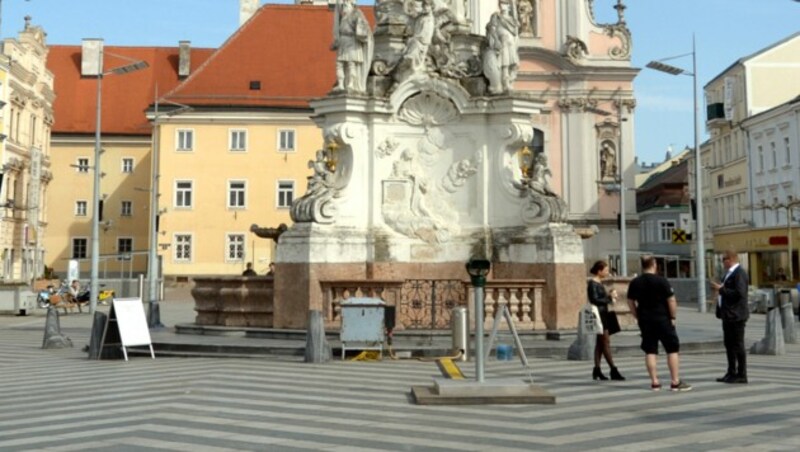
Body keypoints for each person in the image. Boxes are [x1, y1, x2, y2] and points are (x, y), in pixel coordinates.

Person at [627, 255, 692, 392]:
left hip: (645, 320)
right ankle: (675, 381)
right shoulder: (662, 281)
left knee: (650, 350)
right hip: (663, 319)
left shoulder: (635, 282)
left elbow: (630, 302)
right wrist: (673, 316)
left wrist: (637, 316)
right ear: (654, 264)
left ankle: (655, 382)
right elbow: (671, 300)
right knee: (672, 349)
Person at [710, 250, 749, 384]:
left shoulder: (739, 273)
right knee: (729, 345)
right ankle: (731, 372)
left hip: (736, 315)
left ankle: (742, 374)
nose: (723, 262)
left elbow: (740, 293)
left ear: (731, 259)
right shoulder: (728, 274)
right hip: (727, 315)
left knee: (738, 345)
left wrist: (721, 289)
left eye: (724, 259)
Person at [587, 260, 625, 381]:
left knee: (600, 343)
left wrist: (608, 295)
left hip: (603, 314)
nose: (608, 272)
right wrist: (609, 297)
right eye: (606, 270)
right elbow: (594, 299)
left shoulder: (599, 282)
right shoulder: (593, 283)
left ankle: (597, 369)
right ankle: (613, 369)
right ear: (599, 271)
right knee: (605, 342)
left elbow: (599, 298)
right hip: (599, 315)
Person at [331, 0, 373, 92]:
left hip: (352, 42)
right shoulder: (343, 18)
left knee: (351, 64)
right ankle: (341, 84)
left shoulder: (356, 15)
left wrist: (360, 32)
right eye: (343, 6)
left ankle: (351, 83)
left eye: (346, 5)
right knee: (339, 64)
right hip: (343, 42)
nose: (344, 7)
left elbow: (363, 29)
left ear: (351, 5)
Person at [483, 0, 519, 94]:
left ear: (509, 6)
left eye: (505, 4)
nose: (502, 6)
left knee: (512, 63)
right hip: (502, 43)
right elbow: (492, 30)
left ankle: (507, 80)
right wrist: (496, 40)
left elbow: (515, 32)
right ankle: (505, 79)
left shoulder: (512, 20)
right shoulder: (496, 16)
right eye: (501, 3)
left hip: (511, 43)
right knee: (504, 61)